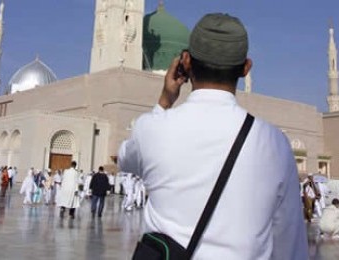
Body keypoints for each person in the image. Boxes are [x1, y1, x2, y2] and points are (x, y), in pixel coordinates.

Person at [118, 13, 308, 259]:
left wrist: (165, 101)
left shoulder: (151, 129)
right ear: (245, 68)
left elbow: (125, 159)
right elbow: (290, 246)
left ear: (186, 61)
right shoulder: (274, 144)